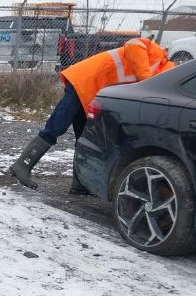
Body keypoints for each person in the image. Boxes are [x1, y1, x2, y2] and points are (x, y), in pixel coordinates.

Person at [9, 37, 175, 193]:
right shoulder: (155, 55)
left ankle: (79, 183)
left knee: (83, 136)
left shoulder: (157, 70)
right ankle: (22, 165)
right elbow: (133, 45)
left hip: (91, 92)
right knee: (56, 126)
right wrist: (146, 80)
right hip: (83, 81)